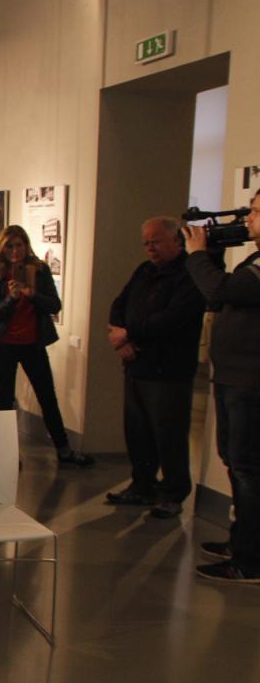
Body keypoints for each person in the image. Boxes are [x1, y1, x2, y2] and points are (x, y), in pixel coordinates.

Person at [104, 217, 205, 518]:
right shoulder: (144, 271)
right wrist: (121, 338)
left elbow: (173, 319)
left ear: (177, 240)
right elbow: (119, 304)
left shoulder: (189, 275)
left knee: (168, 434)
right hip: (137, 365)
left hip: (168, 370)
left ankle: (173, 493)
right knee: (137, 431)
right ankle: (142, 485)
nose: (150, 248)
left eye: (156, 241)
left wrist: (129, 333)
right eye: (146, 243)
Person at [185, 189, 260, 584]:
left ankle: (250, 560)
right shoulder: (253, 260)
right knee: (236, 462)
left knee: (248, 470)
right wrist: (211, 256)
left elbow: (219, 291)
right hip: (235, 379)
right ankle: (241, 543)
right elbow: (220, 294)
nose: (249, 219)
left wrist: (198, 255)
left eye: (257, 212)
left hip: (251, 382)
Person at [0, 225, 93, 466]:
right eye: (9, 246)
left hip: (33, 343)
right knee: (5, 398)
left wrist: (32, 294)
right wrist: (11, 299)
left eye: (18, 245)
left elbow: (54, 305)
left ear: (26, 245)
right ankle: (6, 454)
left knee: (47, 396)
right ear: (2, 248)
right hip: (5, 344)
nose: (14, 251)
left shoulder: (39, 270)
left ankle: (64, 450)